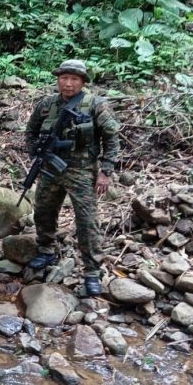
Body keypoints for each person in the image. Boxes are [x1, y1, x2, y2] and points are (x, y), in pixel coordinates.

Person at [25, 59, 120, 296]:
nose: (68, 84)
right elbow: (31, 130)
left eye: (74, 79)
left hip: (82, 170)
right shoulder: (47, 104)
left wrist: (105, 171)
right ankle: (46, 250)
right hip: (51, 168)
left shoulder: (96, 105)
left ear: (83, 82)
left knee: (87, 221)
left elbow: (112, 139)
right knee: (43, 210)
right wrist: (36, 152)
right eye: (64, 78)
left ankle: (91, 272)